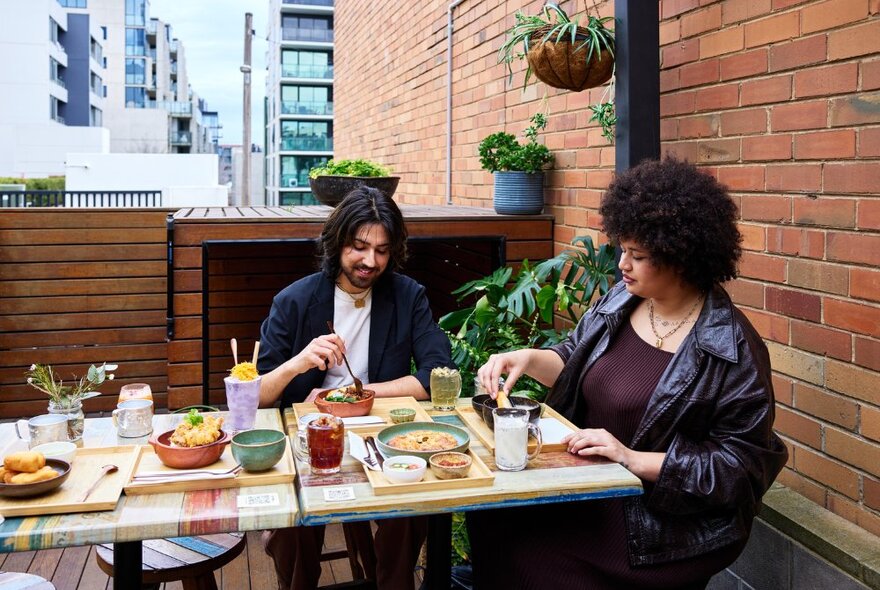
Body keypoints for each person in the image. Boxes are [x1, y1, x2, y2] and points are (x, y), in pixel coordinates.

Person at [469, 157, 788, 590]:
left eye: (638, 255)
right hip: (593, 488)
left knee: (530, 555)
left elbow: (740, 468)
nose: (622, 264)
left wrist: (632, 459)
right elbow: (574, 355)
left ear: (680, 256)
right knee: (491, 521)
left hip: (660, 522)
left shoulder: (732, 349)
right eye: (623, 249)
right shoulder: (622, 299)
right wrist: (527, 356)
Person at [257, 186, 452, 590]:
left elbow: (438, 373)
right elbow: (257, 395)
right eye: (359, 247)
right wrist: (297, 363)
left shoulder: (407, 296)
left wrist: (360, 396)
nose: (370, 261)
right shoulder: (294, 301)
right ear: (337, 243)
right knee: (294, 522)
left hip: (382, 435)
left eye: (382, 250)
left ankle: (393, 582)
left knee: (413, 507)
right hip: (307, 439)